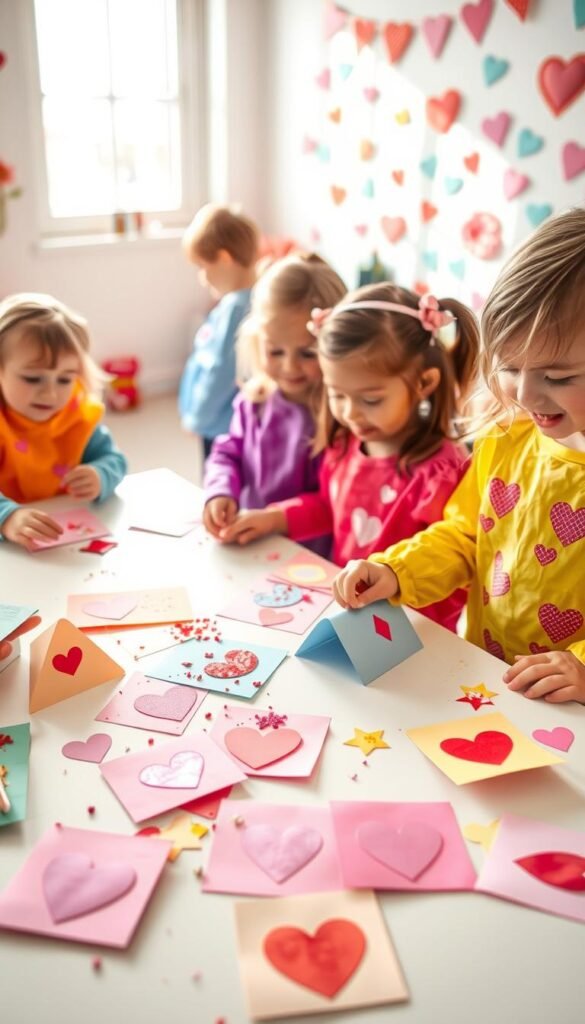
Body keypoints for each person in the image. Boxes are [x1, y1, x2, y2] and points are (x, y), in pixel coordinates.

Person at [333, 208, 585, 703]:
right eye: (510, 366)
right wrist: (396, 571)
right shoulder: (506, 436)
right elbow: (466, 535)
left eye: (558, 377)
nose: (527, 394)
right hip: (490, 681)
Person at [216, 282, 479, 631]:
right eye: (337, 395)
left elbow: (453, 567)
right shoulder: (345, 446)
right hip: (352, 618)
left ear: (424, 383)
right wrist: (275, 518)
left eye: (371, 400)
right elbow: (329, 508)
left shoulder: (442, 469)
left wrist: (396, 597)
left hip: (414, 632)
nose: (351, 413)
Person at [203, 253, 347, 554]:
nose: (290, 367)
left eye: (307, 354)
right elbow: (228, 452)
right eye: (276, 351)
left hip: (312, 559)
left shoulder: (343, 415)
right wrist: (220, 491)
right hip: (252, 543)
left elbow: (335, 502)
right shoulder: (254, 401)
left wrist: (276, 519)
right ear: (258, 342)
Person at [0, 293, 127, 550]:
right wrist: (7, 517)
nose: (51, 393)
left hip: (63, 540)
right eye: (33, 379)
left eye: (65, 379)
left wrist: (100, 474)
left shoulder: (75, 417)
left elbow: (116, 461)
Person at [178, 204, 259, 459]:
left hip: (218, 425)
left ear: (224, 258)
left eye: (203, 266)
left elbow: (220, 370)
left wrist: (196, 417)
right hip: (231, 424)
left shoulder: (235, 309)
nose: (202, 278)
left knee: (217, 478)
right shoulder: (253, 299)